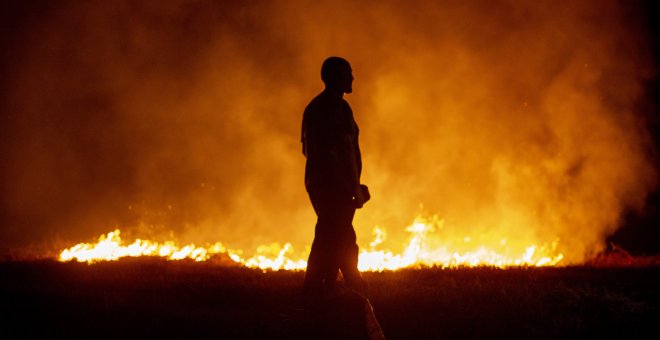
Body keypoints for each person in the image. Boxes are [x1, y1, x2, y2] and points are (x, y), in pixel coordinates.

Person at [301, 56, 370, 302]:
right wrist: (353, 187)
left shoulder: (316, 107)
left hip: (322, 184)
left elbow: (307, 151)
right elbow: (340, 152)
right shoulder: (335, 109)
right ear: (336, 77)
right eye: (348, 73)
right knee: (333, 236)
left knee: (337, 235)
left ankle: (332, 286)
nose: (352, 78)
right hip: (335, 186)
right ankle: (317, 289)